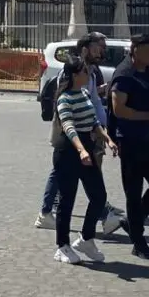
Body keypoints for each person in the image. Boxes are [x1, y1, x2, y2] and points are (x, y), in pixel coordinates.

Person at [36, 35, 124, 238]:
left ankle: (88, 225)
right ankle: (62, 227)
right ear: (85, 48)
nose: (101, 51)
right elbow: (67, 118)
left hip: (89, 135)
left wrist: (105, 135)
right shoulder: (73, 76)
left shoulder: (90, 74)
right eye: (97, 47)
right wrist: (82, 146)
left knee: (86, 184)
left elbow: (91, 105)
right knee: (70, 185)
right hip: (74, 140)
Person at [110, 33, 149, 261]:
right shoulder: (124, 74)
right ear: (135, 50)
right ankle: (138, 241)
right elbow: (119, 109)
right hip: (130, 140)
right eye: (148, 50)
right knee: (133, 193)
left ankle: (131, 222)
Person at [50, 53, 111, 264]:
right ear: (76, 74)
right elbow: (68, 127)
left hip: (87, 148)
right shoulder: (64, 98)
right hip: (68, 151)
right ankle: (62, 246)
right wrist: (81, 150)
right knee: (67, 200)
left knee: (99, 195)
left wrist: (107, 139)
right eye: (85, 71)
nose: (89, 74)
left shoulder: (84, 93)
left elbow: (94, 122)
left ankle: (86, 238)